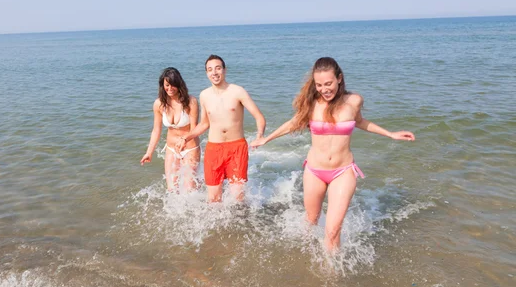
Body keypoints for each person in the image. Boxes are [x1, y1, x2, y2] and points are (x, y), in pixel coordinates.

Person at [250, 57, 415, 252]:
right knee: (311, 221)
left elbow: (360, 122)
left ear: (339, 79)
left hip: (343, 171)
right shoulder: (312, 104)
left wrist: (390, 134)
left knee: (332, 231)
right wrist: (266, 139)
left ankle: (332, 275)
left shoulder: (354, 100)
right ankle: (306, 260)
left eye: (328, 83)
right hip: (314, 171)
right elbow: (294, 122)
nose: (324, 89)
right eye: (319, 85)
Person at [175, 55, 266, 203]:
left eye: (218, 68)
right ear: (206, 73)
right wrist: (186, 137)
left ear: (224, 70)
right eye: (210, 69)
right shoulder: (204, 95)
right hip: (214, 149)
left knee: (237, 198)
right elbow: (204, 124)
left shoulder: (237, 91)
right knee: (213, 199)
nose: (214, 73)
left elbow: (259, 117)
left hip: (236, 148)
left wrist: (260, 135)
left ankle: (238, 224)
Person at [141, 67, 201, 191]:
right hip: (171, 149)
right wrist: (149, 152)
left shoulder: (191, 102)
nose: (169, 88)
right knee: (172, 188)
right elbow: (156, 130)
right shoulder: (159, 104)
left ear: (179, 84)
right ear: (162, 85)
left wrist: (184, 139)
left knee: (189, 188)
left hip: (190, 148)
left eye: (173, 85)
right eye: (167, 85)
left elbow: (195, 129)